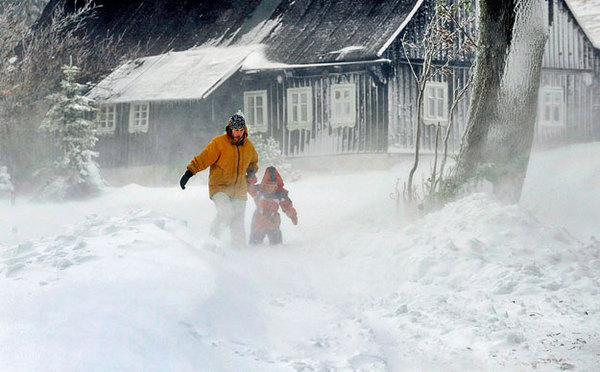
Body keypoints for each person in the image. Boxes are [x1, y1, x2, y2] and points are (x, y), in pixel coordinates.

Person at [179, 114, 259, 247]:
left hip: (239, 190)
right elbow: (203, 158)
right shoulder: (219, 143)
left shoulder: (248, 146)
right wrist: (189, 173)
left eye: (241, 130)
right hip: (219, 187)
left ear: (244, 130)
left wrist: (251, 171)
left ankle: (239, 251)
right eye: (235, 130)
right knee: (226, 213)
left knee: (238, 221)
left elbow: (253, 162)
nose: (238, 133)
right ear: (230, 129)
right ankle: (212, 240)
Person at [247, 166, 298, 245]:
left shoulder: (280, 195)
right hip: (259, 220)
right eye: (268, 186)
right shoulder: (258, 191)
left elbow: (287, 207)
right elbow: (248, 186)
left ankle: (276, 250)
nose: (270, 188)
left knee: (276, 243)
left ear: (276, 186)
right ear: (264, 185)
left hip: (273, 220)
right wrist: (250, 178)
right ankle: (254, 251)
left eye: (273, 186)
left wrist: (292, 215)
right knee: (255, 243)